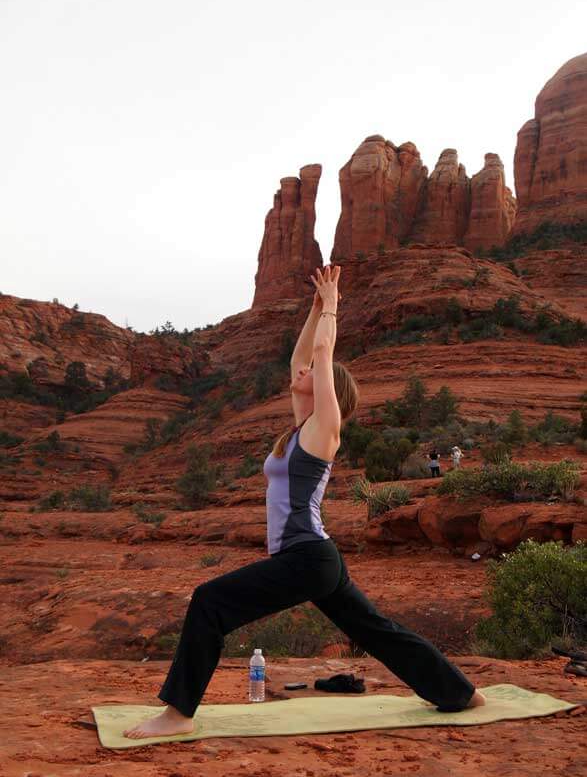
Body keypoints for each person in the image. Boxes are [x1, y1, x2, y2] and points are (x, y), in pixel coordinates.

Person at [123, 264, 485, 739]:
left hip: (306, 557)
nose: (301, 372)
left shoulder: (323, 431)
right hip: (314, 559)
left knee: (209, 602)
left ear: (328, 388)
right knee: (375, 630)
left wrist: (333, 307)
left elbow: (321, 351)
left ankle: (177, 714)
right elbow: (303, 352)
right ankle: (461, 693)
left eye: (312, 373)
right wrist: (315, 310)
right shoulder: (301, 429)